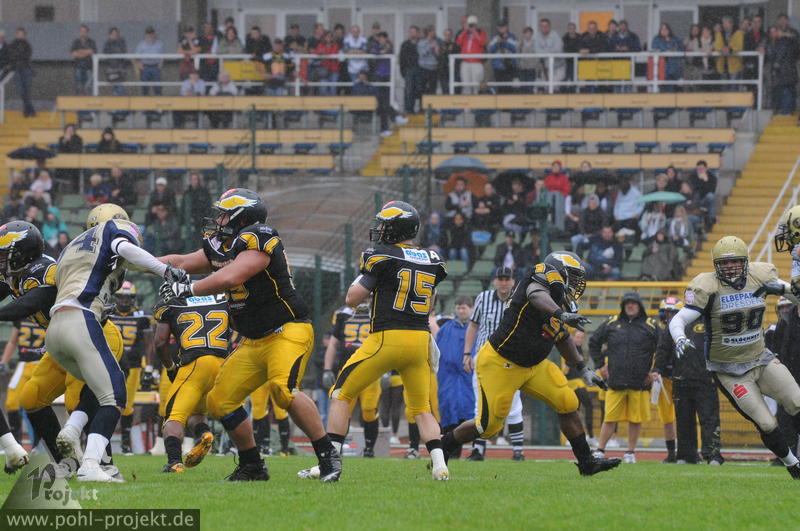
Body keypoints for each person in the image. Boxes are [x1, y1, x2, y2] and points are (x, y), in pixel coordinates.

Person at [158, 188, 340, 482]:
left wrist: (189, 288)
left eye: (224, 215)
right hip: (253, 340)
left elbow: (233, 276)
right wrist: (130, 260)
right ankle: (252, 465)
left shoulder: (259, 236)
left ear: (242, 218)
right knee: (220, 401)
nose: (218, 220)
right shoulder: (223, 246)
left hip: (286, 330)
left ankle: (328, 456)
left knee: (283, 390)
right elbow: (177, 262)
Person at [303, 201, 448, 480]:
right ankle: (440, 466)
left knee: (341, 394)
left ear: (397, 228)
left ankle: (329, 464)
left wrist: (367, 280)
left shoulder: (382, 255)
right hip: (420, 340)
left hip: (387, 337)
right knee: (422, 409)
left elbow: (352, 298)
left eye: (385, 224)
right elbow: (430, 302)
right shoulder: (432, 259)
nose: (380, 229)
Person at [44, 205, 185, 482]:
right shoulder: (113, 228)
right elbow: (123, 247)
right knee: (116, 393)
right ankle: (91, 465)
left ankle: (72, 429)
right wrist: (166, 271)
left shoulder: (71, 246)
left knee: (97, 389)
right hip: (81, 319)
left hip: (55, 329)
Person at [444, 252, 618, 476]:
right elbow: (536, 295)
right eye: (573, 277)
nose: (577, 283)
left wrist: (583, 369)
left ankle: (587, 462)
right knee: (487, 427)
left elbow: (562, 337)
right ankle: (443, 446)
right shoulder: (537, 280)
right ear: (558, 272)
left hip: (534, 366)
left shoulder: (557, 301)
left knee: (567, 402)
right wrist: (560, 313)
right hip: (501, 363)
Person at [670, 236, 800, 479]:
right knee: (767, 423)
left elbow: (797, 296)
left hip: (761, 358)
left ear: (746, 261)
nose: (730, 267)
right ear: (715, 265)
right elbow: (679, 318)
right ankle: (793, 465)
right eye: (725, 263)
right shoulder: (707, 286)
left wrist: (787, 289)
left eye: (735, 262)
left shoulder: (760, 275)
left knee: (797, 401)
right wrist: (679, 337)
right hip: (729, 371)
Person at [153, 290, 229, 472]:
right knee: (196, 412)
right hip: (221, 364)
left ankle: (174, 462)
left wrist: (171, 367)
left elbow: (160, 343)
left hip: (195, 364)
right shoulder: (221, 298)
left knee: (173, 417)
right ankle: (204, 433)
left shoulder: (172, 303)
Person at [462, 266, 526, 460]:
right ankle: (478, 450)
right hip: (484, 360)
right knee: (480, 406)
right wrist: (467, 353)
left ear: (513, 281)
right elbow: (473, 325)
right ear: (494, 281)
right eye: (500, 279)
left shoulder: (520, 299)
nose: (504, 282)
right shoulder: (483, 298)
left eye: (507, 279)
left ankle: (518, 451)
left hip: (510, 360)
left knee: (513, 406)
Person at [590, 292, 659, 463]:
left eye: (633, 303)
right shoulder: (611, 323)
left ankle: (630, 452)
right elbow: (593, 342)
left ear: (639, 305)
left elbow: (664, 348)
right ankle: (600, 450)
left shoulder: (650, 325)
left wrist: (656, 370)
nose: (630, 306)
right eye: (627, 303)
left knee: (635, 420)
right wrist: (600, 365)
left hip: (640, 382)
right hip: (616, 381)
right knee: (609, 418)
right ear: (623, 306)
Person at [654, 297, 723, 465]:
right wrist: (657, 369)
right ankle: (686, 455)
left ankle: (713, 455)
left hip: (706, 379)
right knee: (684, 420)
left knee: (709, 419)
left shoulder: (708, 321)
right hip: (680, 379)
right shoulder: (673, 325)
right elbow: (663, 349)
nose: (669, 316)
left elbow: (720, 347)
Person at [322, 302, 382, 458]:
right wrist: (327, 368)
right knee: (343, 409)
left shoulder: (379, 311)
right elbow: (333, 343)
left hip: (372, 369)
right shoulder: (343, 314)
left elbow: (385, 342)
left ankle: (369, 449)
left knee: (369, 409)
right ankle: (338, 448)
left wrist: (387, 368)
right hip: (347, 369)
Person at [107, 282, 153, 456]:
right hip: (110, 363)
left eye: (128, 297)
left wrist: (149, 368)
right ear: (116, 297)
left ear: (133, 299)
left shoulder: (141, 317)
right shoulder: (109, 314)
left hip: (133, 366)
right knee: (105, 402)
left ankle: (125, 444)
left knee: (126, 404)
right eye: (121, 297)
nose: (124, 301)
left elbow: (149, 344)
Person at [436, 296, 475, 460]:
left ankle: (477, 451)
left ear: (471, 308)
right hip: (448, 378)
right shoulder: (447, 328)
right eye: (458, 307)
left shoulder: (475, 328)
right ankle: (451, 451)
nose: (461, 311)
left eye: (464, 307)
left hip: (467, 377)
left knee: (470, 412)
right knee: (448, 411)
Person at [766, 26, 799, 115]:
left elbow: (780, 56)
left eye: (775, 31)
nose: (774, 34)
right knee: (786, 91)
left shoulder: (785, 41)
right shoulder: (770, 43)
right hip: (784, 72)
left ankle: (787, 111)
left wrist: (775, 67)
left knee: (787, 91)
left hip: (786, 72)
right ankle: (787, 110)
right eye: (771, 32)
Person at [456, 15, 487, 95]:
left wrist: (474, 32)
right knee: (466, 84)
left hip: (476, 62)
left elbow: (482, 42)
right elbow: (458, 42)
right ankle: (467, 102)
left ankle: (477, 101)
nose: (471, 26)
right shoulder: (463, 33)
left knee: (477, 85)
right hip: (465, 62)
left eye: (472, 24)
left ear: (476, 24)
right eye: (469, 24)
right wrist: (465, 31)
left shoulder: (481, 32)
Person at [181, 172, 211, 248]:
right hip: (190, 221)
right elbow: (183, 207)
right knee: (190, 238)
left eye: (195, 179)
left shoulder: (204, 192)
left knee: (200, 238)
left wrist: (204, 217)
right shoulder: (187, 192)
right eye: (191, 179)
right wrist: (188, 218)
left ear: (198, 180)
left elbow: (208, 206)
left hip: (202, 220)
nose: (193, 181)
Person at [9, 28, 35, 116]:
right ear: (16, 34)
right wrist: (19, 55)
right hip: (16, 69)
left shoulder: (27, 45)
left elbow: (27, 55)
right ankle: (29, 108)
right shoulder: (12, 44)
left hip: (26, 69)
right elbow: (12, 56)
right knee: (20, 90)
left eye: (22, 34)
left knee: (27, 90)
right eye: (19, 34)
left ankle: (27, 110)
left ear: (24, 35)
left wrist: (18, 55)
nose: (20, 35)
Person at [651, 23, 684, 91]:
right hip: (663, 68)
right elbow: (655, 49)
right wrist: (665, 51)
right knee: (665, 90)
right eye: (662, 29)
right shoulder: (656, 39)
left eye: (665, 29)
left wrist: (674, 51)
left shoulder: (675, 39)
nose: (664, 30)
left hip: (676, 69)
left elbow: (681, 50)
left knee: (677, 90)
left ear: (669, 30)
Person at [488, 20, 518, 94]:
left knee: (509, 88)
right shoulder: (495, 38)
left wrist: (505, 41)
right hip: (498, 66)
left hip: (510, 66)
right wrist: (497, 43)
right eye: (499, 27)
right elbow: (490, 49)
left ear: (506, 27)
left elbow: (515, 48)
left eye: (503, 27)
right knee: (500, 88)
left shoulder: (512, 37)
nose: (501, 29)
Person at [714, 16, 745, 82]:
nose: (725, 26)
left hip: (735, 66)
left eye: (726, 23)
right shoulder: (719, 33)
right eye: (723, 23)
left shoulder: (738, 33)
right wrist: (722, 49)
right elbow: (717, 46)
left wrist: (730, 49)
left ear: (731, 24)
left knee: (734, 86)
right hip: (723, 66)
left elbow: (739, 46)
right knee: (724, 87)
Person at [135, 27, 164, 96]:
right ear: (145, 35)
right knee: (145, 87)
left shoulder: (159, 44)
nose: (150, 36)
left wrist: (159, 66)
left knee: (158, 87)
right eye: (148, 34)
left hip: (155, 66)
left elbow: (162, 57)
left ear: (154, 34)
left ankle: (158, 101)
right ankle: (145, 101)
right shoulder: (141, 44)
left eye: (151, 34)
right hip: (145, 67)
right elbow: (136, 57)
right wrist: (140, 66)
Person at [688, 160, 718, 227]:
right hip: (695, 200)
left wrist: (706, 180)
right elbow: (694, 189)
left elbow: (712, 190)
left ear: (706, 169)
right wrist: (701, 180)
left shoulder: (712, 177)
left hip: (705, 199)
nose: (700, 171)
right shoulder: (692, 177)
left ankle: (711, 218)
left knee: (710, 196)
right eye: (698, 169)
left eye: (701, 169)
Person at [534, 19, 564, 84]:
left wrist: (544, 51)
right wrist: (550, 51)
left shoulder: (555, 35)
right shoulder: (537, 36)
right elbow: (537, 51)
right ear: (540, 27)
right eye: (542, 26)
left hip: (557, 67)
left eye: (546, 26)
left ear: (550, 26)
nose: (544, 28)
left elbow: (558, 50)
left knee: (555, 85)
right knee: (546, 86)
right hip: (544, 68)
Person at [400, 26, 421, 114]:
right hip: (409, 69)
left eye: (414, 32)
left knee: (420, 89)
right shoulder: (405, 44)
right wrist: (403, 71)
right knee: (409, 90)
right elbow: (401, 59)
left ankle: (421, 108)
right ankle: (409, 109)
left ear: (418, 33)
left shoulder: (421, 43)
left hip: (420, 69)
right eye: (410, 32)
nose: (412, 33)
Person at [70, 25, 96, 95]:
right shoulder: (76, 42)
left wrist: (80, 51)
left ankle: (88, 97)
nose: (83, 33)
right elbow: (73, 54)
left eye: (84, 31)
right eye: (81, 31)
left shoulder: (91, 42)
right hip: (78, 66)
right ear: (79, 32)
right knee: (79, 83)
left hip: (89, 67)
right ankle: (80, 97)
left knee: (89, 84)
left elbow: (92, 52)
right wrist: (86, 53)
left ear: (87, 32)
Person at [313, 31, 340, 96]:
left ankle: (332, 102)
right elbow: (316, 52)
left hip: (334, 70)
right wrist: (321, 53)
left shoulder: (335, 45)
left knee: (333, 89)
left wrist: (324, 53)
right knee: (323, 89)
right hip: (324, 70)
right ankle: (327, 101)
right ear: (324, 37)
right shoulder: (320, 45)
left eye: (330, 36)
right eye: (327, 36)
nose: (329, 38)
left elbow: (333, 53)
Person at [102, 27, 128, 96]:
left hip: (120, 68)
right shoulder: (108, 42)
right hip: (111, 69)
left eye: (116, 34)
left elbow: (122, 51)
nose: (115, 35)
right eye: (113, 34)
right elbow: (105, 51)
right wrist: (115, 50)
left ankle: (121, 100)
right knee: (115, 86)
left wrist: (114, 50)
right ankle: (117, 100)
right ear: (109, 35)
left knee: (120, 86)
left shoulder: (121, 41)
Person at [417, 26, 441, 95]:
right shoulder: (422, 42)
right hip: (424, 68)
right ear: (429, 32)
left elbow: (438, 56)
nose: (435, 33)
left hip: (434, 68)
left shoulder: (436, 42)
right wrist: (430, 47)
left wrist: (437, 52)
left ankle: (432, 102)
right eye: (433, 31)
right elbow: (422, 53)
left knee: (433, 88)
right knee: (423, 88)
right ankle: (423, 102)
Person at [438, 28, 458, 94]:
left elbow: (457, 59)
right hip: (443, 71)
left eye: (449, 35)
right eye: (446, 35)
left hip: (452, 71)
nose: (447, 36)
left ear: (451, 35)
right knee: (445, 89)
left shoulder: (455, 45)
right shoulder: (440, 45)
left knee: (453, 90)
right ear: (444, 35)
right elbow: (439, 57)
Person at [517, 27, 536, 92]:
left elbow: (537, 55)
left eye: (529, 33)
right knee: (523, 86)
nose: (527, 35)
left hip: (531, 67)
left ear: (532, 34)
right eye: (525, 33)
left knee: (530, 86)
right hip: (522, 67)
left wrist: (535, 64)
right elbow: (517, 53)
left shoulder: (535, 43)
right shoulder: (520, 43)